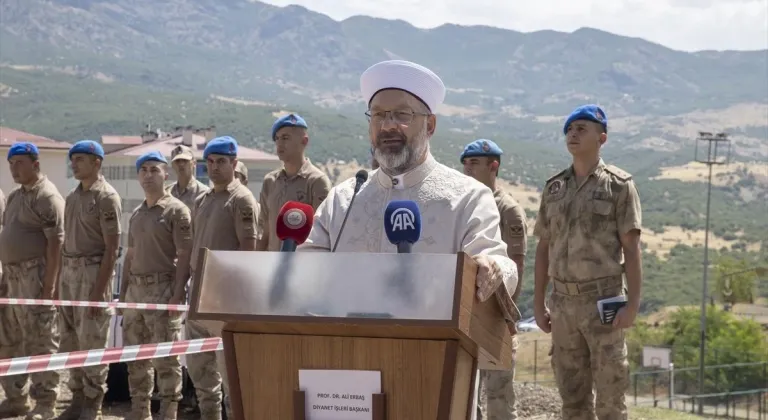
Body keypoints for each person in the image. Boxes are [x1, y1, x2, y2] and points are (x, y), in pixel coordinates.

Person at [298, 59, 520, 341]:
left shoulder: (468, 197)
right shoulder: (344, 198)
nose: (388, 126)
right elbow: (305, 270)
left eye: (402, 115)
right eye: (378, 115)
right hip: (345, 356)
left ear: (430, 125)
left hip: (434, 357)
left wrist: (494, 266)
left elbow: (500, 265)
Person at [533, 104, 642, 420]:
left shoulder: (619, 186)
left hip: (603, 303)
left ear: (602, 137)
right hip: (563, 305)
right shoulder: (555, 188)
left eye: (582, 128)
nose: (573, 134)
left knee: (610, 402)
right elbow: (543, 248)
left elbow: (631, 249)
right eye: (569, 129)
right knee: (572, 402)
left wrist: (632, 305)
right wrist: (539, 303)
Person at [181, 136, 259, 420]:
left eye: (221, 162)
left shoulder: (241, 200)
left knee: (230, 375)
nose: (214, 168)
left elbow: (248, 253)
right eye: (210, 162)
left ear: (234, 163)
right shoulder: (202, 199)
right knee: (199, 370)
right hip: (199, 293)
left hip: (226, 298)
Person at [120, 151, 192, 420]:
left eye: (154, 169)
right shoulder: (137, 213)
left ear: (165, 174)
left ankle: (169, 413)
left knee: (166, 358)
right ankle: (141, 411)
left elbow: (184, 254)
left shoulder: (176, 210)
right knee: (136, 358)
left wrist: (177, 295)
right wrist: (123, 293)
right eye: (144, 170)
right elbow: (129, 255)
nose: (148, 175)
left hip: (162, 289)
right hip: (135, 292)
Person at [461, 139, 527, 420]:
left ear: (493, 166)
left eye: (474, 163)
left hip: (498, 315)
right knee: (465, 396)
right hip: (467, 314)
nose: (467, 169)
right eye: (465, 164)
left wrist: (508, 318)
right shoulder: (466, 205)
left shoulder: (508, 210)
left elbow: (516, 266)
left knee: (499, 399)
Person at [58, 140, 122, 420]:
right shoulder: (72, 198)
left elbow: (112, 248)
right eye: (72, 159)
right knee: (70, 340)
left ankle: (92, 404)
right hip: (69, 273)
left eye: (80, 159)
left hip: (93, 272)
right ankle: (77, 397)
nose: (74, 164)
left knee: (92, 342)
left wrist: (99, 292)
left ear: (97, 162)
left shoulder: (106, 197)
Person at [0, 143, 65, 420]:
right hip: (12, 277)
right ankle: (16, 397)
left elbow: (56, 244)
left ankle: (46, 403)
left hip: (34, 276)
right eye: (11, 163)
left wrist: (48, 287)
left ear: (36, 164)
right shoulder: (15, 196)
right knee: (11, 340)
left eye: (20, 163)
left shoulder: (47, 196)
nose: (14, 168)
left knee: (40, 340)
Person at [256, 113, 331, 251]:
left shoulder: (316, 181)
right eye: (277, 139)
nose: (279, 144)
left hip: (302, 266)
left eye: (285, 138)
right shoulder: (270, 181)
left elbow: (323, 233)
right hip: (270, 265)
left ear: (304, 141)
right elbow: (264, 230)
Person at [167, 145, 209, 210]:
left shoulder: (204, 193)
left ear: (194, 163)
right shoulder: (167, 192)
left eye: (185, 160)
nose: (181, 164)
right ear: (172, 165)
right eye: (177, 161)